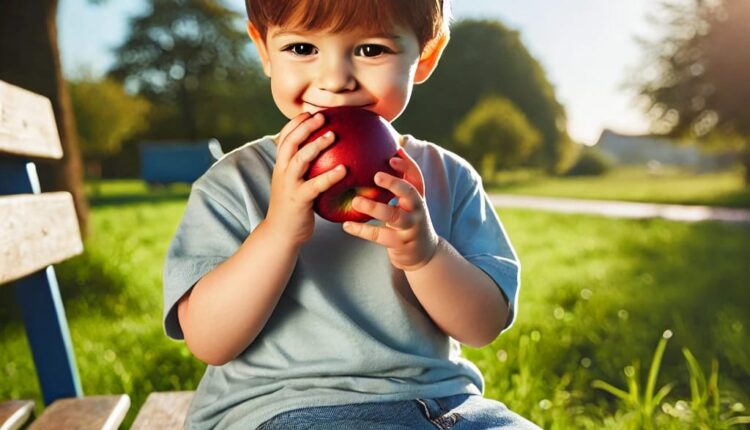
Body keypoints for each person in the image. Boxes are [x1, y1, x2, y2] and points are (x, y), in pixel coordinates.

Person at [163, 0, 540, 428]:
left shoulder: (447, 178)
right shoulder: (235, 183)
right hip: (288, 407)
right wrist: (277, 232)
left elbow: (482, 326)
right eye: (303, 49)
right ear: (264, 49)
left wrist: (426, 255)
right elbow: (210, 341)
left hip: (445, 403)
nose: (335, 80)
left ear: (425, 56)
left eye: (371, 50)